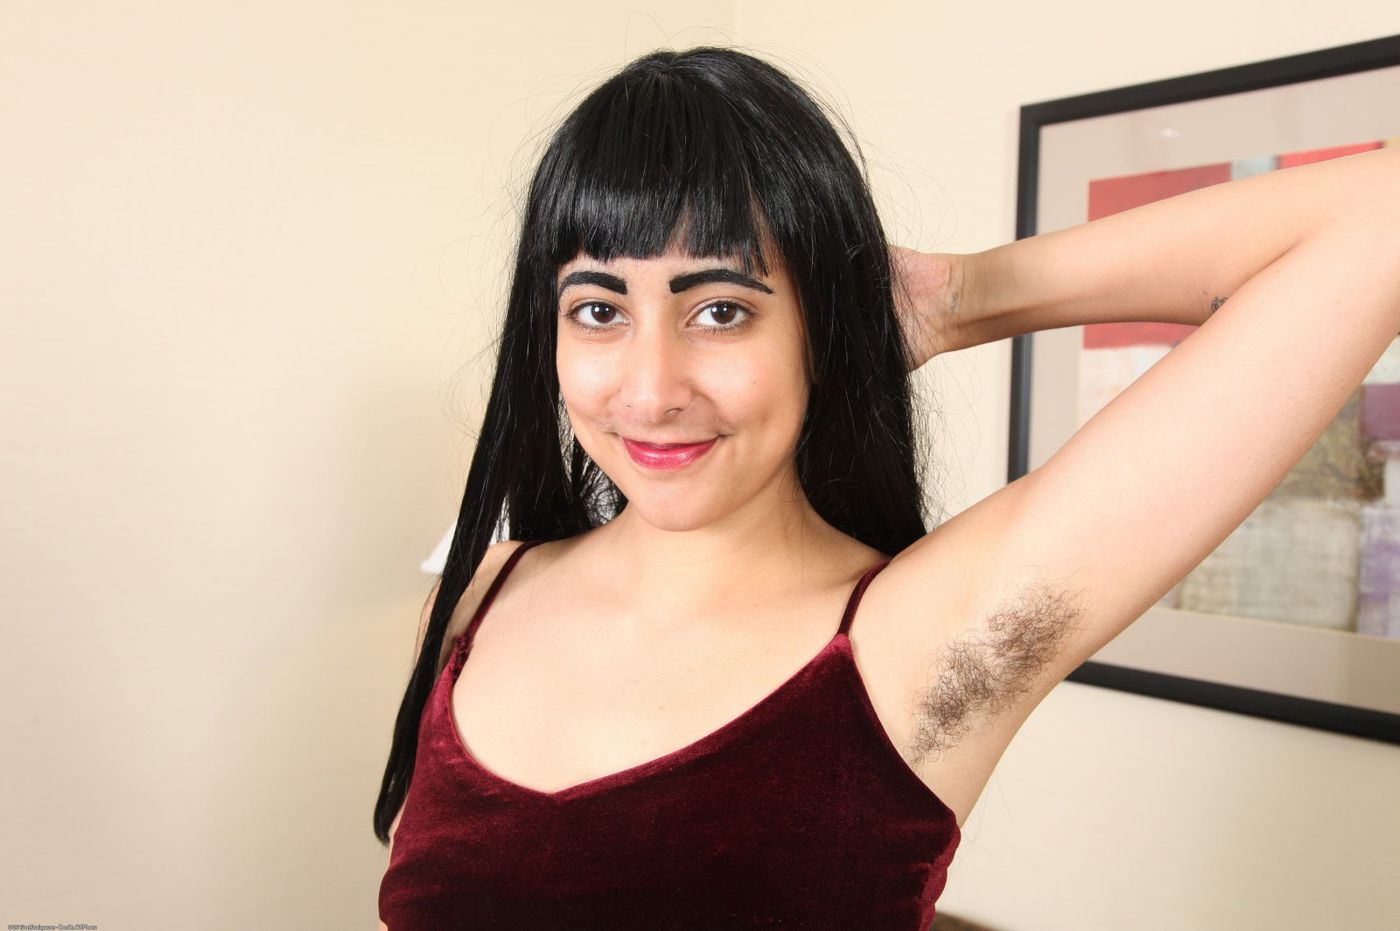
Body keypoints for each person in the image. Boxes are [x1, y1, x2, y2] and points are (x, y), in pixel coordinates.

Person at [374, 45, 1400, 930]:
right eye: (598, 309)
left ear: (817, 329)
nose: (650, 390)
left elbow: (1377, 216)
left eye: (721, 309)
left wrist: (958, 295)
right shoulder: (474, 600)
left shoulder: (926, 637)